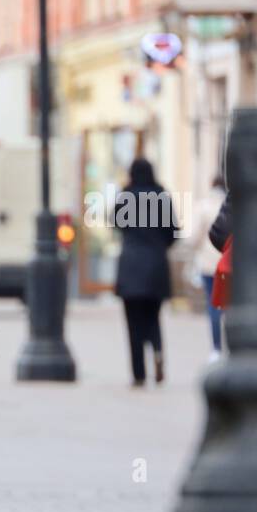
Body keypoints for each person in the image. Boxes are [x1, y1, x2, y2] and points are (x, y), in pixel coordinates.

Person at [113, 158, 178, 387]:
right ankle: (158, 352)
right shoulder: (162, 195)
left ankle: (139, 373)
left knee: (133, 323)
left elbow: (116, 226)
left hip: (131, 267)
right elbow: (173, 233)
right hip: (156, 266)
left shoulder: (126, 196)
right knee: (153, 318)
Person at [191, 175, 226, 360]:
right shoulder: (233, 206)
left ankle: (216, 348)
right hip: (228, 265)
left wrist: (195, 253)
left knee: (213, 306)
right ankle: (231, 346)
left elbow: (195, 237)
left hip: (207, 264)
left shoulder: (203, 207)